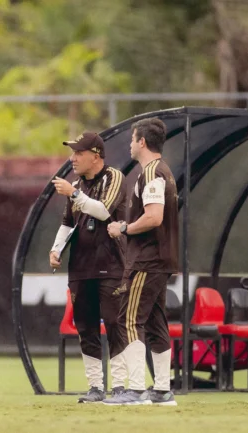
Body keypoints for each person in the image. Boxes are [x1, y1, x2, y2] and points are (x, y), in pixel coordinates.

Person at [103, 117, 179, 406]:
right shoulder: (164, 171)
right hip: (160, 260)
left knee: (129, 320)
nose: (130, 145)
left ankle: (135, 390)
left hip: (147, 261)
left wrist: (123, 227)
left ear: (142, 142)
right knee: (156, 322)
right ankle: (162, 390)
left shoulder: (151, 172)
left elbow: (154, 217)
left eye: (132, 139)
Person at [50, 132, 129, 403]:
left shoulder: (114, 177)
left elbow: (104, 211)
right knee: (86, 328)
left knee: (115, 324)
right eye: (72, 153)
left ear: (95, 156)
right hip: (80, 267)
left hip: (111, 265)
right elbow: (67, 223)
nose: (73, 158)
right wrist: (56, 249)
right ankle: (95, 387)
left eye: (78, 153)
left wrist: (74, 193)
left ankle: (120, 387)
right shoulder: (76, 184)